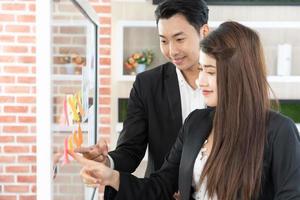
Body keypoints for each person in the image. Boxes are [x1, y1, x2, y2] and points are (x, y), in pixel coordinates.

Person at [70, 21, 300, 200]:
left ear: (238, 76)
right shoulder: (196, 123)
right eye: (201, 69)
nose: (201, 81)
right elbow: (161, 185)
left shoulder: (280, 132)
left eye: (210, 72)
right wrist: (112, 177)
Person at [75, 0, 209, 177]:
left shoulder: (231, 80)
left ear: (204, 32)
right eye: (164, 41)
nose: (172, 50)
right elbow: (130, 150)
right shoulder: (147, 84)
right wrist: (106, 161)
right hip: (160, 193)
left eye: (179, 39)